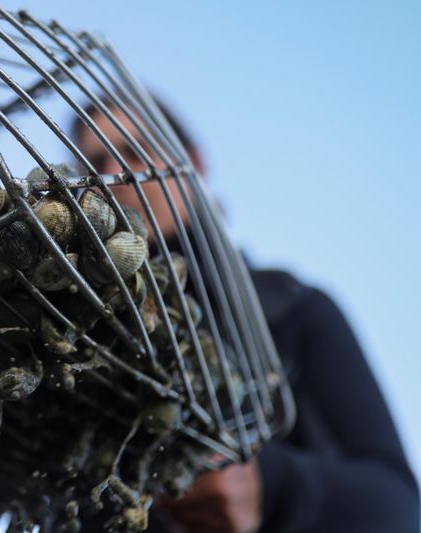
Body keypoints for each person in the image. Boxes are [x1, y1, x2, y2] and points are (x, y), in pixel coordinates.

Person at [71, 95, 419, 532]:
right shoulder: (84, 359)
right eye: (96, 163)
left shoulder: (293, 311)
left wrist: (270, 487)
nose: (118, 176)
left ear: (191, 162)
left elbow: (397, 505)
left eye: (135, 152)